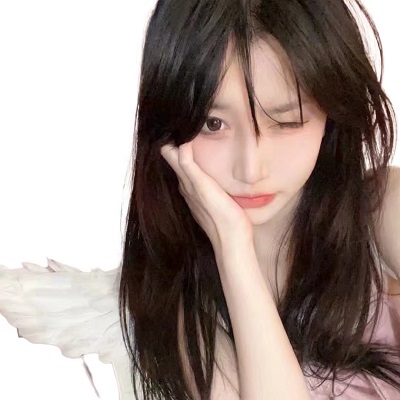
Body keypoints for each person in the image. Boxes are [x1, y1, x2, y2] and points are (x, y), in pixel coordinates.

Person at [0, 0, 400, 398]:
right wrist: (233, 250)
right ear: (170, 127)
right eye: (214, 123)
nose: (250, 168)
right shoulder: (184, 312)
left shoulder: (383, 206)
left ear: (332, 115)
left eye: (286, 121)